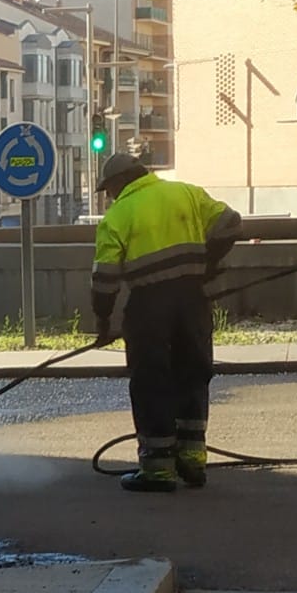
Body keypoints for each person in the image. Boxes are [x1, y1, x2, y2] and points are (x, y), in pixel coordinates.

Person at [91, 152, 243, 494]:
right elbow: (230, 223)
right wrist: (208, 262)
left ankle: (158, 470)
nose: (109, 196)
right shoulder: (186, 193)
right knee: (193, 374)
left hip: (149, 307)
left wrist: (103, 321)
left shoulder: (117, 216)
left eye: (109, 189)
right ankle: (192, 461)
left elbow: (104, 279)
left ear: (118, 183)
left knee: (151, 381)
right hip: (192, 301)